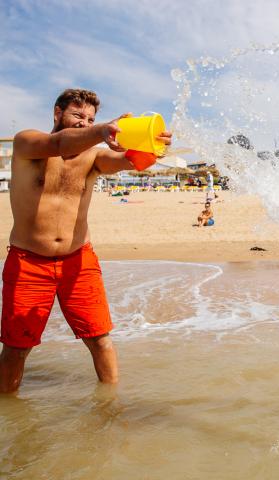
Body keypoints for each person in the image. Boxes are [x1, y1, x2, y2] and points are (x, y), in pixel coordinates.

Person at [0, 88, 172, 394]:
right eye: (78, 115)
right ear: (57, 113)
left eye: (90, 118)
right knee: (17, 347)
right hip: (28, 262)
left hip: (78, 260)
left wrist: (154, 146)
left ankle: (110, 409)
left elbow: (129, 161)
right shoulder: (28, 142)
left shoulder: (92, 157)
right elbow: (59, 143)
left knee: (100, 339)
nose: (84, 123)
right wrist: (102, 129)